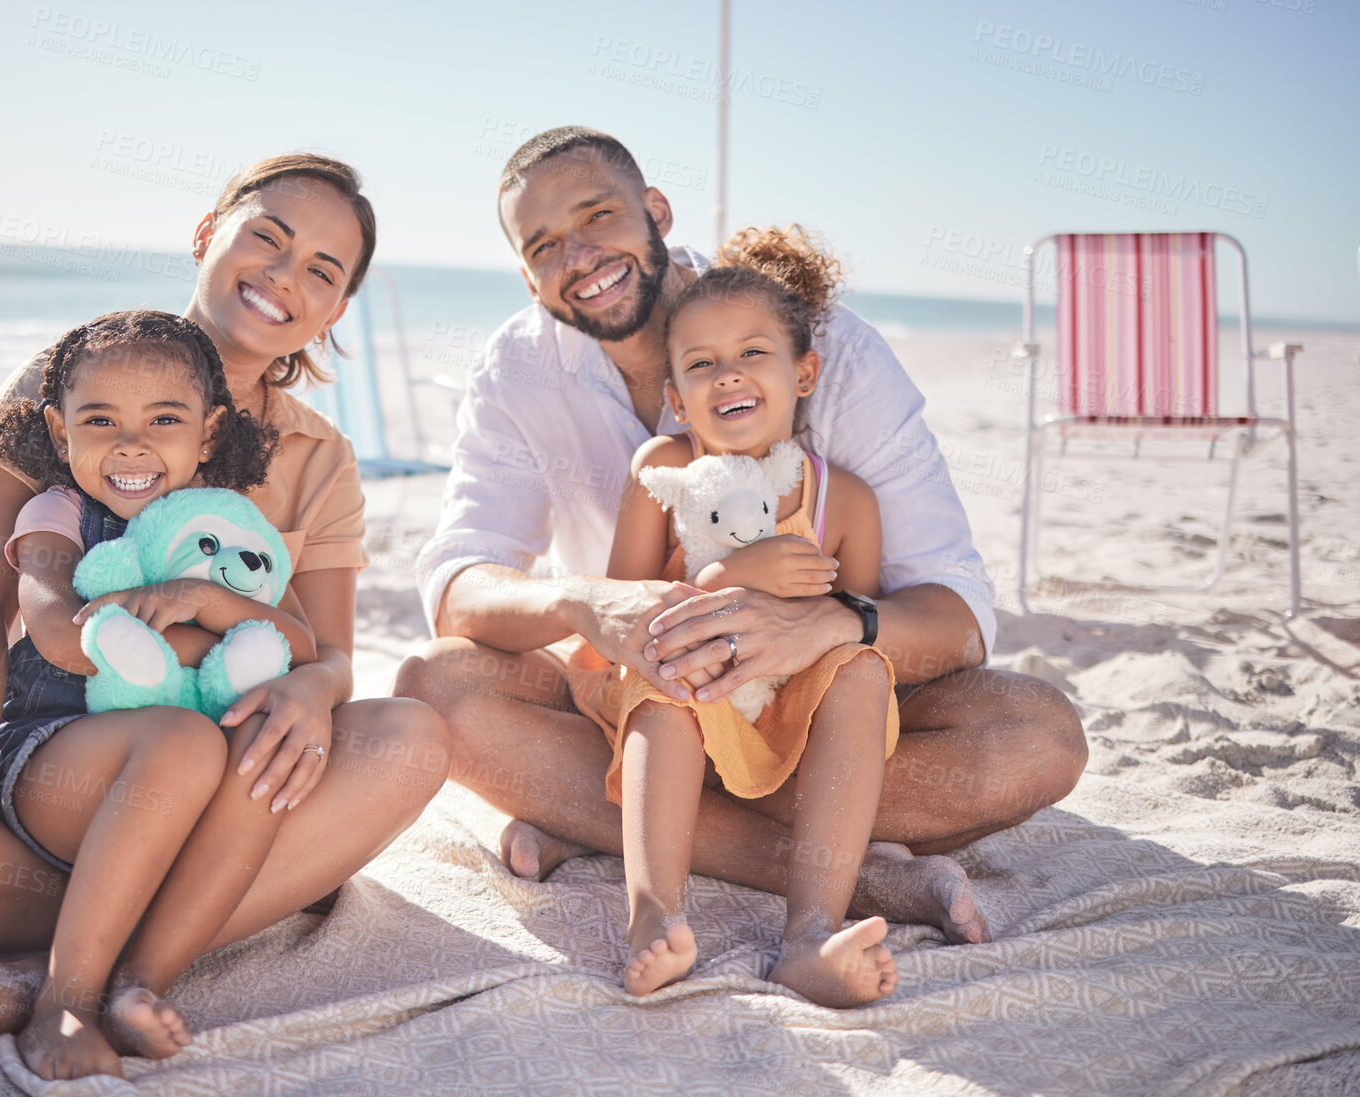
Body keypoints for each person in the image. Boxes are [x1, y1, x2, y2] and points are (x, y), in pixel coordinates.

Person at [0, 155, 450, 1075]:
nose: (284, 275)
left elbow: (326, 651)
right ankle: (157, 919)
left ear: (336, 310)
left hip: (229, 786)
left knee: (410, 736)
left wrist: (311, 687)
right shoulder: (74, 379)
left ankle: (68, 976)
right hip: (65, 760)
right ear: (205, 234)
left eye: (323, 271)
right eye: (267, 235)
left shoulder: (318, 455)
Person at [398, 127, 1086, 942]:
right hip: (646, 697)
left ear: (654, 210)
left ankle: (596, 817)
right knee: (433, 687)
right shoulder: (516, 367)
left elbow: (959, 612)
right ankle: (864, 878)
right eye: (545, 245)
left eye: (598, 217)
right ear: (525, 273)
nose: (578, 256)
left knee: (1040, 737)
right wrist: (587, 603)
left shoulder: (821, 344)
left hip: (811, 717)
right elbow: (459, 579)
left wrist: (828, 624)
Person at [0, 308, 319, 1078]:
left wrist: (202, 601)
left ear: (207, 433)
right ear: (61, 436)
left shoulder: (222, 523)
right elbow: (60, 632)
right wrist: (179, 632)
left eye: (163, 419)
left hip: (176, 785)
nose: (130, 444)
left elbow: (298, 643)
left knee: (254, 742)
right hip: (54, 763)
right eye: (99, 420)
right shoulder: (58, 513)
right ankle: (60, 1005)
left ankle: (140, 984)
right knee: (186, 737)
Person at [603, 226, 897, 1004]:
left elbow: (853, 623)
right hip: (679, 697)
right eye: (699, 363)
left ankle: (808, 935)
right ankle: (653, 914)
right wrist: (725, 575)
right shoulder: (663, 470)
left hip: (782, 718)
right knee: (665, 674)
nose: (725, 374)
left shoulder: (845, 500)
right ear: (674, 398)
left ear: (804, 373)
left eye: (752, 353)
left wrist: (805, 616)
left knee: (863, 667)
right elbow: (619, 609)